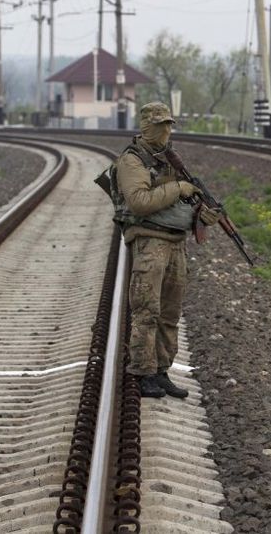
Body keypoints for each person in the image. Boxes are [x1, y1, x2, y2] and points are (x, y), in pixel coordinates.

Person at [114, 102, 220, 398]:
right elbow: (139, 202)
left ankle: (161, 371)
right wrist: (179, 189)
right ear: (146, 126)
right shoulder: (132, 160)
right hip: (150, 242)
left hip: (176, 243)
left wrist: (203, 215)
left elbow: (184, 204)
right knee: (147, 311)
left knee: (170, 313)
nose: (166, 131)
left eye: (169, 125)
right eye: (161, 125)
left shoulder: (171, 160)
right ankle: (143, 372)